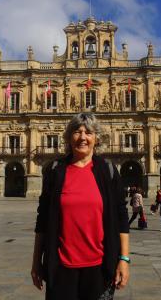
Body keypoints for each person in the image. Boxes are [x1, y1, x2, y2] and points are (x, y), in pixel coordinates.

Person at [31, 113, 129, 299]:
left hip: (99, 267)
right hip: (60, 268)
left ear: (96, 138)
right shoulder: (55, 170)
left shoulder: (107, 171)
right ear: (69, 137)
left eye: (88, 132)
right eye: (77, 132)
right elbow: (42, 220)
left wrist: (124, 259)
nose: (83, 137)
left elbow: (121, 217)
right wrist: (37, 262)